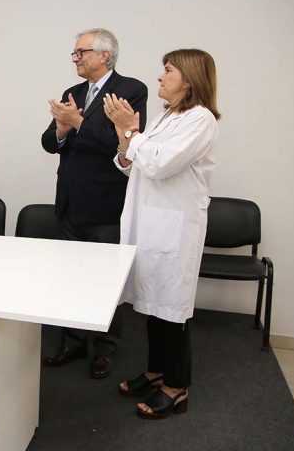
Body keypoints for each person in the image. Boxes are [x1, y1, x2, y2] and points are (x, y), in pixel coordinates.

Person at [104, 48, 220, 419]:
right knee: (153, 306)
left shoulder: (200, 120)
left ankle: (177, 386)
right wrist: (126, 137)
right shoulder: (166, 115)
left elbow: (159, 163)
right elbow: (130, 163)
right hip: (151, 224)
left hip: (175, 229)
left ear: (189, 79)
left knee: (172, 309)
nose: (160, 76)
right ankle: (157, 371)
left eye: (168, 70)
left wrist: (130, 132)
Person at [40, 28, 148, 380]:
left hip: (105, 204)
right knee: (70, 277)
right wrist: (61, 129)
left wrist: (77, 122)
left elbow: (121, 145)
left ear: (104, 55)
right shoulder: (72, 93)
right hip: (69, 201)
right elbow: (49, 142)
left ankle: (105, 349)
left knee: (105, 281)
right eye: (74, 53)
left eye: (80, 52)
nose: (75, 58)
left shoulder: (131, 90)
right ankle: (72, 343)